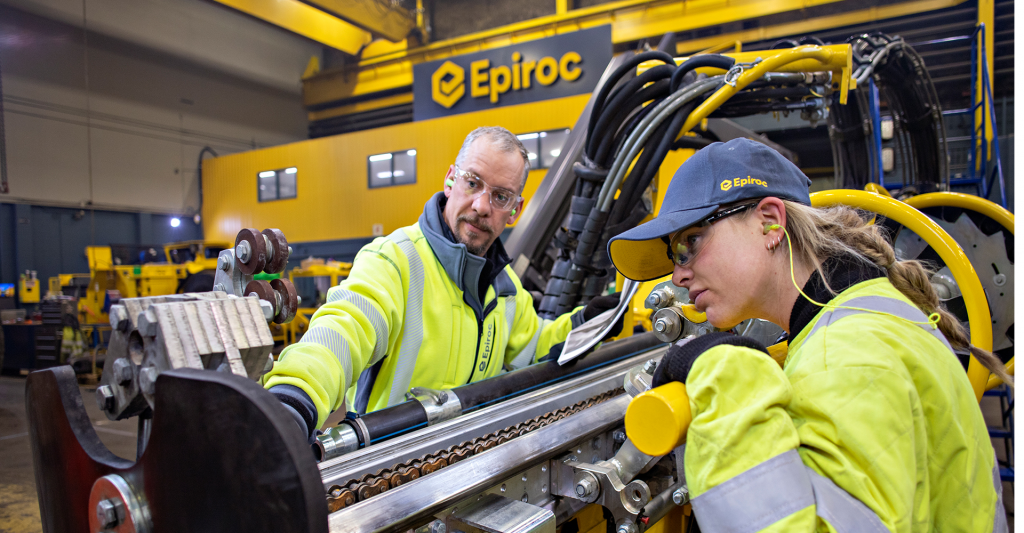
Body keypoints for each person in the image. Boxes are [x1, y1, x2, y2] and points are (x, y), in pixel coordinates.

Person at [607, 138, 1009, 532]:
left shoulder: (848, 354)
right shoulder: (866, 314)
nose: (677, 274)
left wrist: (725, 375)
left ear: (769, 222)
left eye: (690, 243)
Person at [264, 126, 622, 440]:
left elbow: (534, 345)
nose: (482, 205)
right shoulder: (395, 261)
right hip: (388, 469)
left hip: (471, 460)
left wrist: (582, 325)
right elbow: (342, 332)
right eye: (472, 182)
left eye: (500, 196)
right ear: (451, 179)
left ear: (515, 209)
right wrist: (293, 400)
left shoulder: (505, 286)